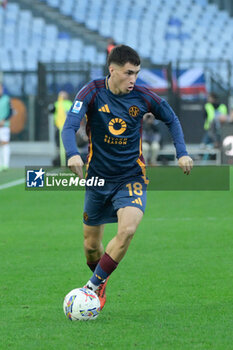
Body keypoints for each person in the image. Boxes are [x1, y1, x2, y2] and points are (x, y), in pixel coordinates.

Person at [62, 45, 193, 310]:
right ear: (113, 70)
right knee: (90, 247)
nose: (133, 79)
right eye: (128, 73)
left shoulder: (143, 96)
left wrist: (182, 152)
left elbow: (172, 119)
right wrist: (72, 153)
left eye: (136, 73)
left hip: (131, 177)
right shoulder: (91, 92)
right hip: (97, 180)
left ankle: (91, 289)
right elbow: (69, 125)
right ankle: (101, 280)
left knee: (128, 229)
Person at [48, 91, 72, 166]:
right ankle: (65, 160)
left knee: (60, 145)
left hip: (61, 127)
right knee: (66, 145)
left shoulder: (57, 104)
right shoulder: (70, 104)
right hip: (67, 128)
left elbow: (51, 111)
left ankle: (62, 160)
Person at [0, 83, 12, 171]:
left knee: (5, 143)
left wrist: (4, 120)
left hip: (4, 126)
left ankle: (5, 164)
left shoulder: (6, 99)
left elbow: (11, 112)